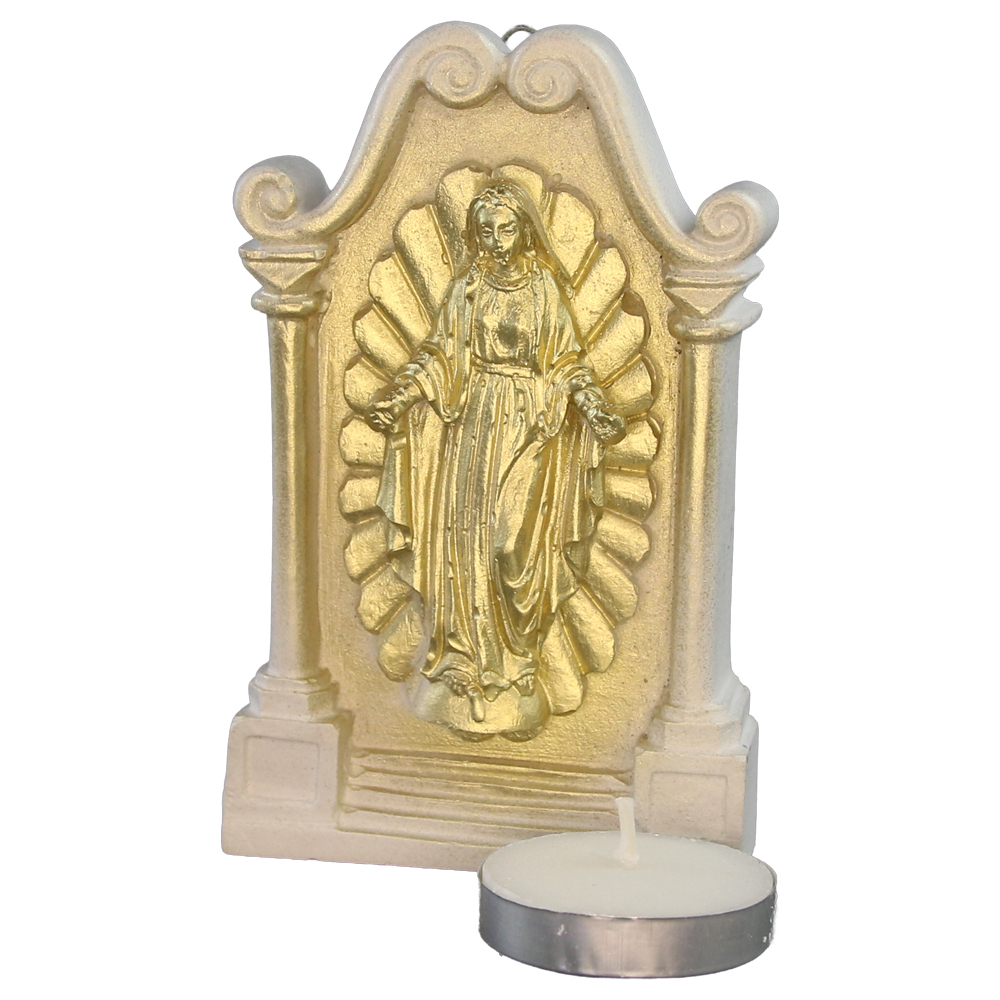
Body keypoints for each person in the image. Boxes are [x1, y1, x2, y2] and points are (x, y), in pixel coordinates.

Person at [365, 181, 625, 740]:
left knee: (511, 546)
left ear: (526, 229)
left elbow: (567, 361)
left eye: (507, 229)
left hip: (530, 425)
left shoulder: (543, 288)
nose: (497, 240)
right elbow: (439, 355)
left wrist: (593, 406)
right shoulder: (468, 287)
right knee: (469, 547)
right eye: (486, 231)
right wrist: (400, 398)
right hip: (473, 425)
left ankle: (517, 661)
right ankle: (469, 668)